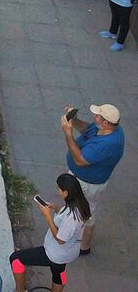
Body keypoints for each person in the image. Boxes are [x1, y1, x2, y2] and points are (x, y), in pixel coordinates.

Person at [61, 103, 124, 255]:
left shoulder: (106, 144)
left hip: (86, 183)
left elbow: (80, 160)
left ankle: (82, 245)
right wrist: (74, 120)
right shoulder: (108, 128)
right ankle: (79, 239)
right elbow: (87, 129)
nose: (94, 117)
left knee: (85, 212)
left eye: (97, 116)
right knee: (82, 210)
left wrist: (68, 133)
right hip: (82, 179)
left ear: (106, 122)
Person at [9, 173, 90, 292]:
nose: (58, 191)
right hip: (69, 251)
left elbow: (60, 239)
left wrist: (48, 217)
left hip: (56, 253)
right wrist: (56, 208)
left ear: (66, 193)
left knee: (16, 259)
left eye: (59, 189)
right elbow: (67, 216)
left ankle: (20, 290)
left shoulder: (71, 219)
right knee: (58, 271)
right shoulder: (81, 204)